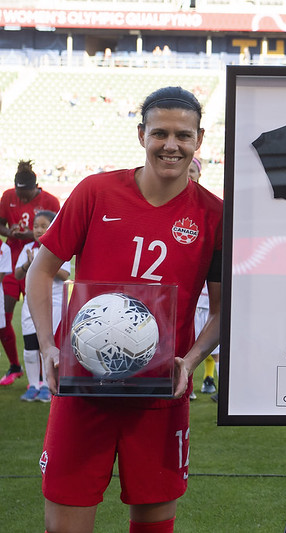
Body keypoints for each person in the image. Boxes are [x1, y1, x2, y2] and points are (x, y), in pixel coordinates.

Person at [26, 86, 223, 533]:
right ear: (141, 136)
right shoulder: (95, 192)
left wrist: (189, 363)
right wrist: (49, 347)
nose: (171, 145)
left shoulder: (214, 216)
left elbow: (223, 310)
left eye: (182, 136)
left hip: (159, 394)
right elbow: (40, 272)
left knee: (154, 526)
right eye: (160, 133)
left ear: (199, 140)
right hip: (82, 389)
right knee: (65, 525)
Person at [0, 160, 60, 386]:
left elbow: (58, 231)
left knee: (37, 315)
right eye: (19, 194)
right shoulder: (7, 197)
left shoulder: (50, 201)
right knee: (4, 317)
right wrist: (11, 231)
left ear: (36, 187)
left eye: (26, 195)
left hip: (39, 262)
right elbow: (0, 224)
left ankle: (42, 375)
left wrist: (32, 237)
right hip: (12, 263)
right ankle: (16, 366)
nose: (22, 199)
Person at [15, 210, 69, 403]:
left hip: (53, 305)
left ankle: (47, 385)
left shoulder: (60, 249)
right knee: (30, 347)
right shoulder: (28, 249)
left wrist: (44, 267)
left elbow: (66, 275)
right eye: (36, 226)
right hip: (31, 305)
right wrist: (28, 265)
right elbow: (18, 275)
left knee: (48, 346)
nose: (38, 230)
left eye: (43, 226)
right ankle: (33, 385)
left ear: (53, 227)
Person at [188, 157, 219, 400]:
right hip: (190, 293)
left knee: (214, 345)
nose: (189, 174)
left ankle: (214, 382)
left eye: (192, 171)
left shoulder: (209, 207)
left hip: (210, 294)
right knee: (187, 342)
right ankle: (186, 384)